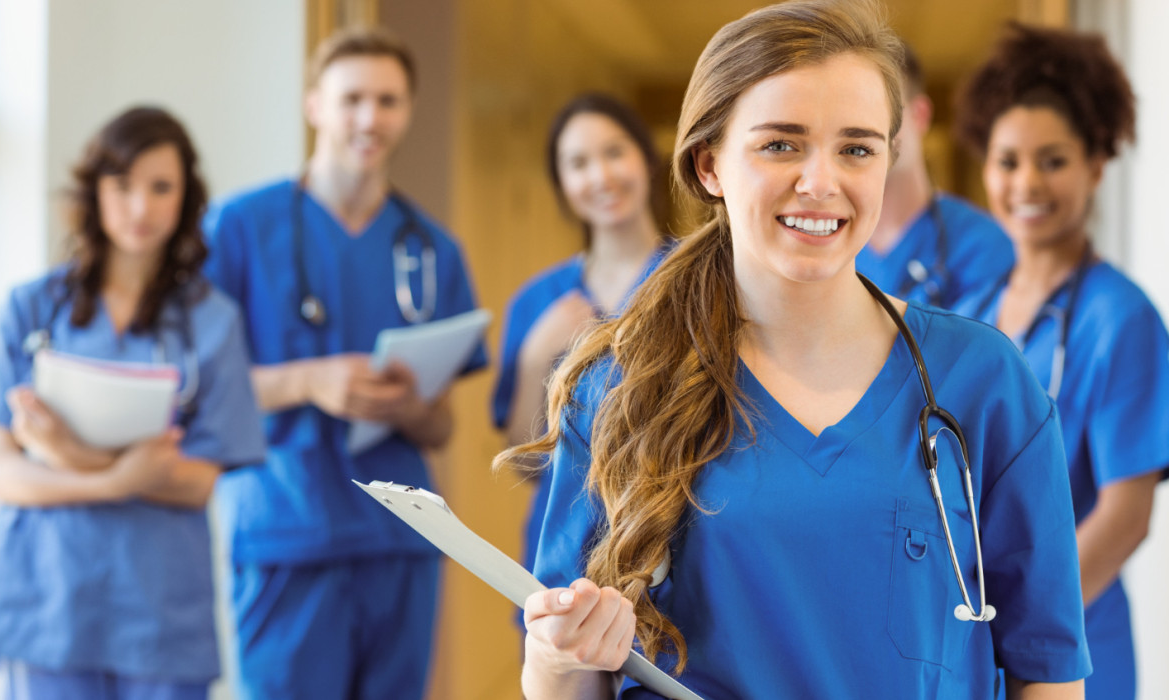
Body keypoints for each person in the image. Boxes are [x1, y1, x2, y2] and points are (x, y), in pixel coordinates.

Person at [500, 1, 1091, 697]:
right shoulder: (622, 388)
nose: (821, 182)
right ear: (710, 163)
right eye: (781, 144)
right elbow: (567, 680)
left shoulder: (983, 382)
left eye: (857, 148)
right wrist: (557, 655)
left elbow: (1046, 669)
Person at [0, 106, 265, 699]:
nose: (140, 207)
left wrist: (69, 454)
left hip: (157, 608)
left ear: (186, 199)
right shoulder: (28, 310)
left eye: (161, 187)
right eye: (123, 184)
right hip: (44, 601)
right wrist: (120, 477)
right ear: (93, 191)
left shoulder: (212, 323)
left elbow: (197, 483)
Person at [203, 26, 486, 699]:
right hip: (286, 531)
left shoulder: (432, 249)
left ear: (407, 111)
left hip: (402, 536)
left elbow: (443, 428)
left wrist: (411, 408)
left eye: (387, 101)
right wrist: (310, 380)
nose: (370, 118)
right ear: (314, 106)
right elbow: (196, 388)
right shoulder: (239, 227)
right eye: (352, 98)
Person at [953, 24, 1166, 700]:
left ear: (1097, 165)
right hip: (973, 642)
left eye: (1053, 160)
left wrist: (1031, 627)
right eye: (1008, 160)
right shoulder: (974, 307)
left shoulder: (1120, 319)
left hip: (1072, 653)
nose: (1027, 183)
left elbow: (1126, 517)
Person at [492, 93, 672, 575]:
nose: (601, 176)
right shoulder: (538, 302)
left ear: (646, 159)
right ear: (562, 184)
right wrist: (535, 358)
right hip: (564, 552)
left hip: (674, 544)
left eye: (615, 152)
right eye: (578, 163)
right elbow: (525, 464)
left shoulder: (697, 279)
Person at [855, 39, 1012, 308]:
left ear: (920, 115)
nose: (864, 129)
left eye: (882, 109)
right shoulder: (825, 243)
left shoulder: (982, 245)